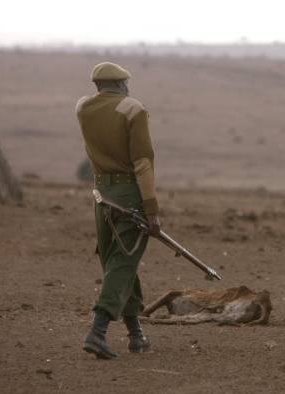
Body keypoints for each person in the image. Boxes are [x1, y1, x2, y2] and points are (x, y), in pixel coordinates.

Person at [76, 62, 161, 359]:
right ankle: (97, 331)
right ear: (123, 84)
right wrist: (151, 209)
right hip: (129, 195)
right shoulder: (133, 109)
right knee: (123, 262)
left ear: (98, 86)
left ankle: (136, 334)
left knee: (119, 262)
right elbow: (142, 163)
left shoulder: (83, 109)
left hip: (101, 195)